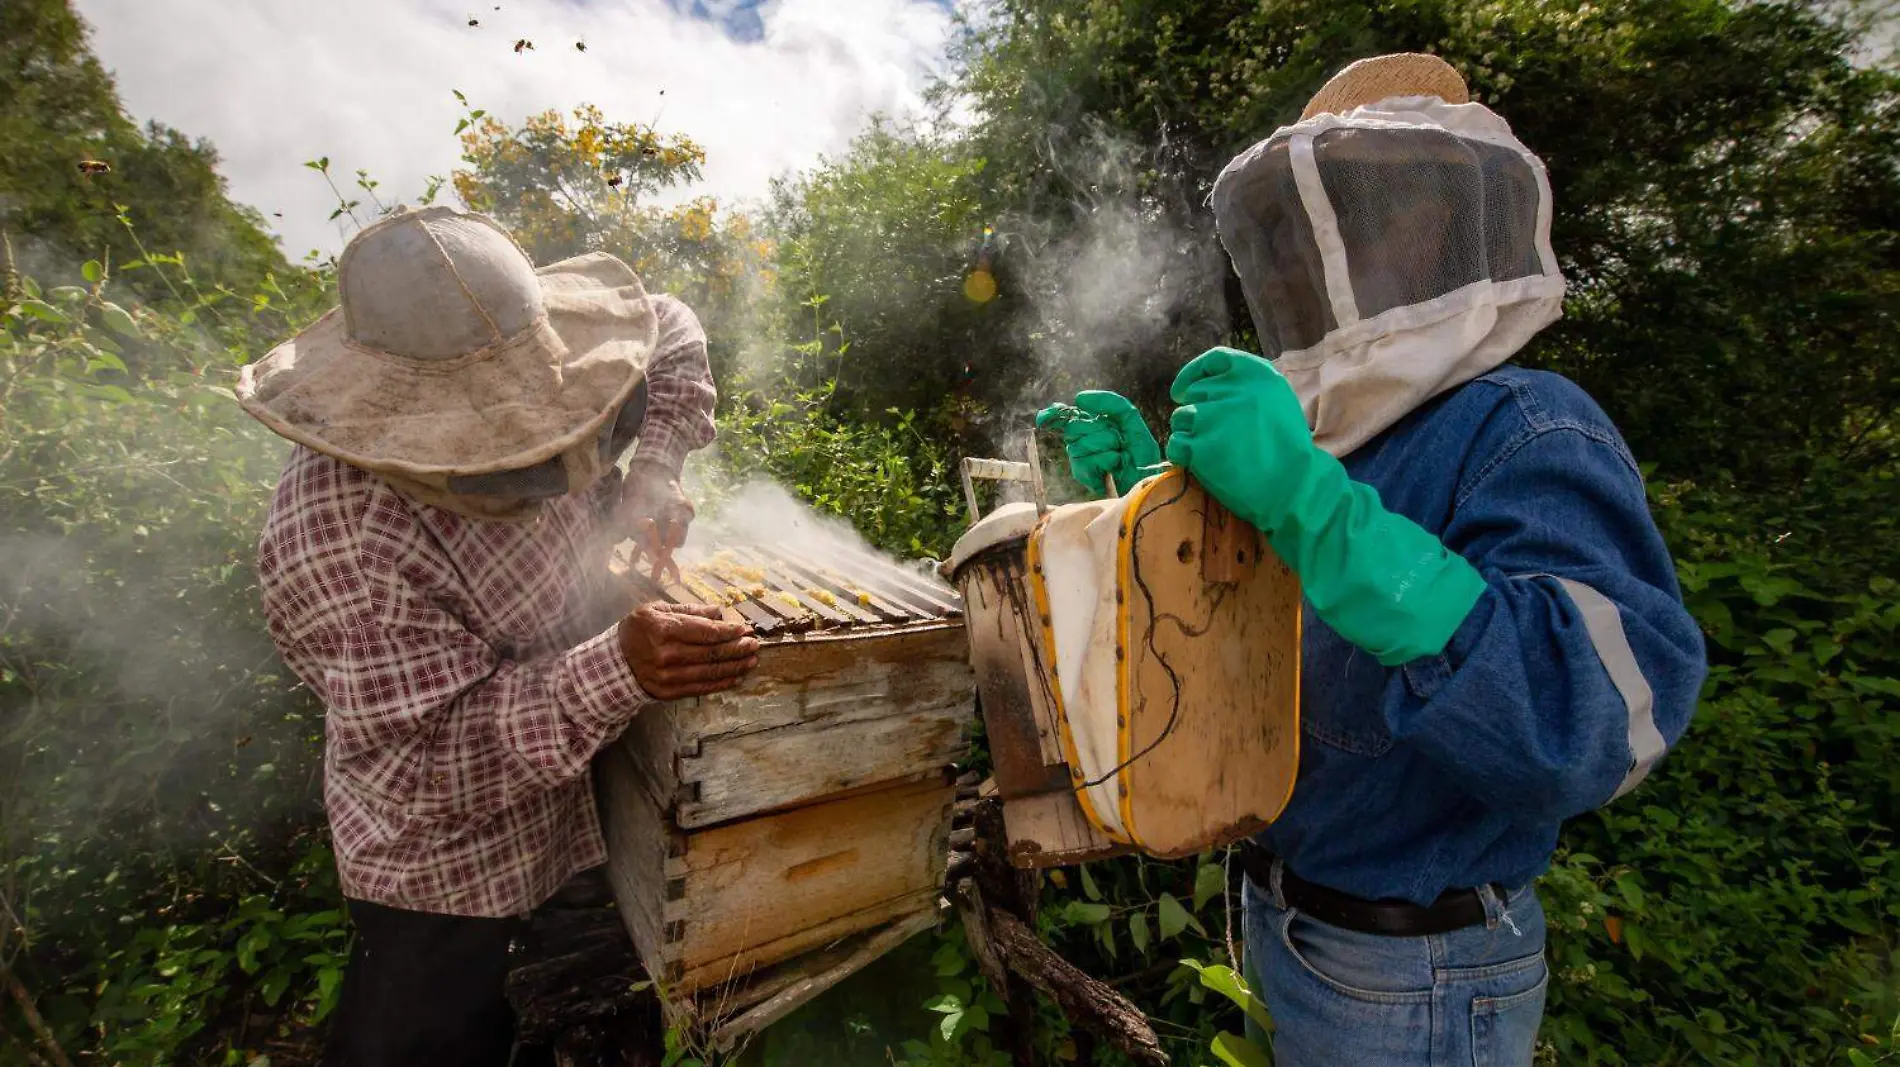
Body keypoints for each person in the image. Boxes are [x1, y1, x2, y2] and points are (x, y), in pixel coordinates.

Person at [1040, 54, 1708, 1066]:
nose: (1333, 239)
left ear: (1442, 216)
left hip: (1418, 972)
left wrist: (1310, 504)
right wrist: (1140, 503)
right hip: (1288, 923)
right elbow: (1230, 636)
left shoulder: (1527, 424)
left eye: (1372, 204)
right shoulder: (1336, 437)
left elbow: (1586, 721)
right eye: (1323, 213)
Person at [236, 206, 761, 1066]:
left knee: (601, 1019)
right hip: (448, 880)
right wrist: (618, 668)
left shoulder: (547, 333)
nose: (544, 459)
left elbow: (668, 325)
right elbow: (432, 762)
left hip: (578, 809)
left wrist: (654, 472)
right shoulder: (343, 540)